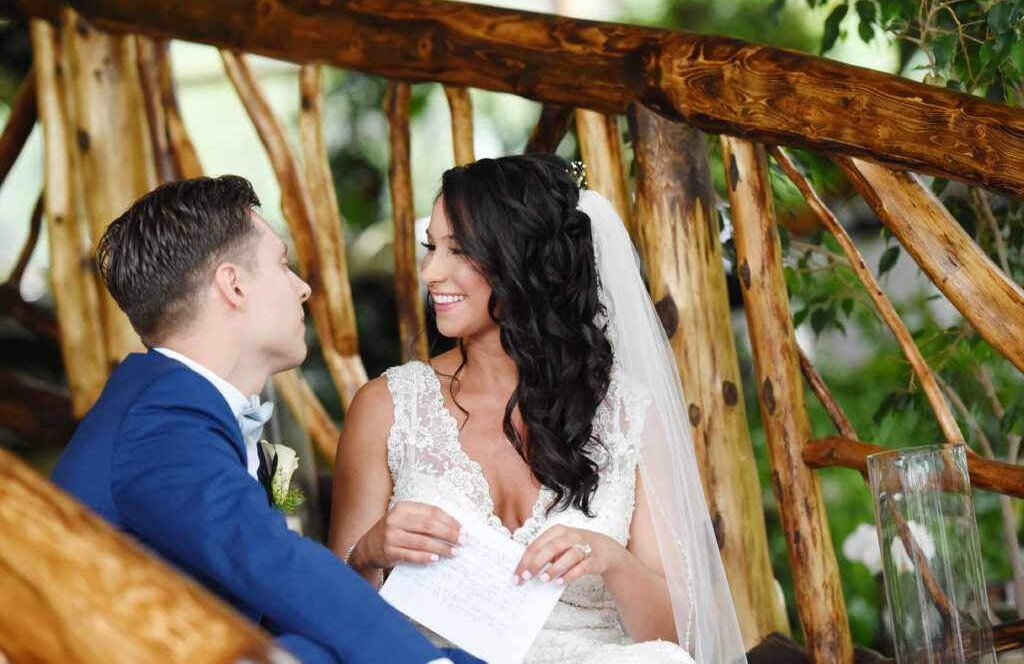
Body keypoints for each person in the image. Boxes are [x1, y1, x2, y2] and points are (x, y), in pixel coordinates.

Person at [329, 154, 747, 664]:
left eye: (457, 251)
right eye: (430, 247)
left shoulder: (626, 413)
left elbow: (680, 634)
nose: (429, 272)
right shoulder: (387, 408)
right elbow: (327, 616)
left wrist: (610, 560)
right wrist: (369, 553)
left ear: (524, 260)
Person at [50, 175, 482, 664]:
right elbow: (268, 559)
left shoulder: (169, 398)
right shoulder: (163, 413)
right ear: (233, 285)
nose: (303, 288)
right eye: (282, 263)